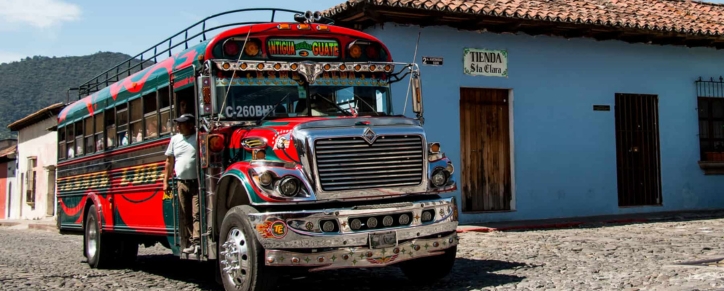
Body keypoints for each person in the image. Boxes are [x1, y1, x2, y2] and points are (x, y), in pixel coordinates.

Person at [163, 113, 199, 254]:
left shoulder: (198, 138)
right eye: (177, 124)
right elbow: (169, 161)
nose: (178, 126)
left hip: (196, 182)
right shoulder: (175, 139)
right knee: (185, 213)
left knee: (196, 213)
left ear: (190, 125)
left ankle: (197, 241)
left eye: (181, 124)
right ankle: (190, 240)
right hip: (181, 182)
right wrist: (165, 182)